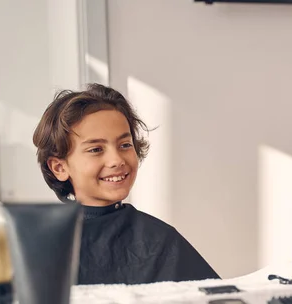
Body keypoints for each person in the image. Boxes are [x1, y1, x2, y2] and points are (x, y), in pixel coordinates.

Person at [33, 83, 219, 284]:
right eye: (96, 149)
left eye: (125, 145)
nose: (117, 160)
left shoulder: (161, 240)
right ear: (59, 168)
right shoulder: (42, 245)